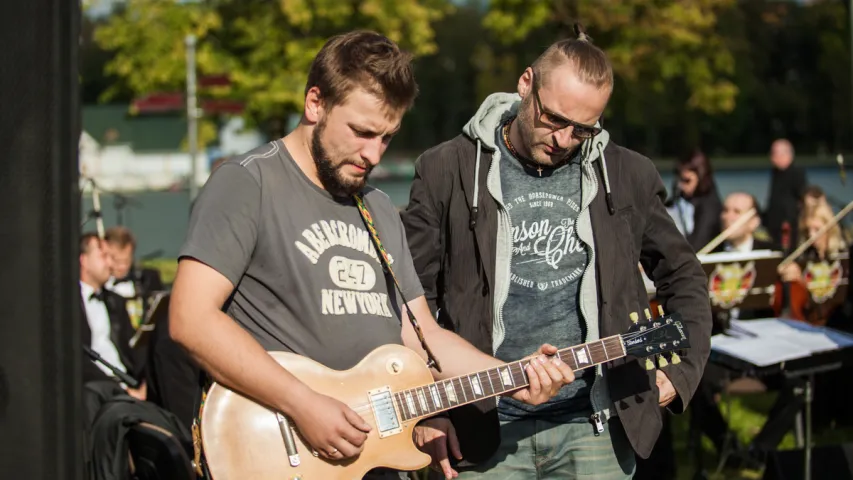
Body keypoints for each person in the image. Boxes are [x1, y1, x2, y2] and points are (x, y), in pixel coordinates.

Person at [168, 30, 574, 480]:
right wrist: (302, 403)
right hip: (280, 452)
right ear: (315, 104)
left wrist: (514, 376)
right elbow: (191, 319)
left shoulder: (377, 207)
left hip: (371, 461)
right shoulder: (248, 183)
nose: (373, 154)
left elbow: (423, 337)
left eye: (386, 137)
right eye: (362, 132)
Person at [401, 25, 712, 479]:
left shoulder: (629, 175)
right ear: (525, 84)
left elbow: (684, 277)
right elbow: (411, 302)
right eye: (554, 119)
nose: (564, 139)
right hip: (481, 427)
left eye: (583, 129)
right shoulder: (446, 169)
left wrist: (683, 373)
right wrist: (428, 408)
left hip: (596, 427)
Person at [79, 233, 147, 408]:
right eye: (103, 256)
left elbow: (132, 348)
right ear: (83, 260)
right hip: (95, 393)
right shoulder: (69, 305)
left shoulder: (115, 302)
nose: (110, 264)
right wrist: (119, 391)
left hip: (127, 387)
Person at [103, 226, 164, 327]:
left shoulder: (147, 280)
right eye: (117, 261)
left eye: (126, 261)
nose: (122, 267)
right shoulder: (99, 289)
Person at [667, 148, 722, 252]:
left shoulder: (710, 207)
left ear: (702, 177)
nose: (680, 186)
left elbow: (699, 244)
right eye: (678, 180)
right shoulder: (678, 200)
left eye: (687, 181)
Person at [763, 139, 807, 246]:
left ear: (786, 154)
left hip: (789, 226)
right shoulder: (776, 173)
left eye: (774, 153)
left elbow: (802, 199)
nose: (771, 157)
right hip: (774, 225)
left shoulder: (796, 173)